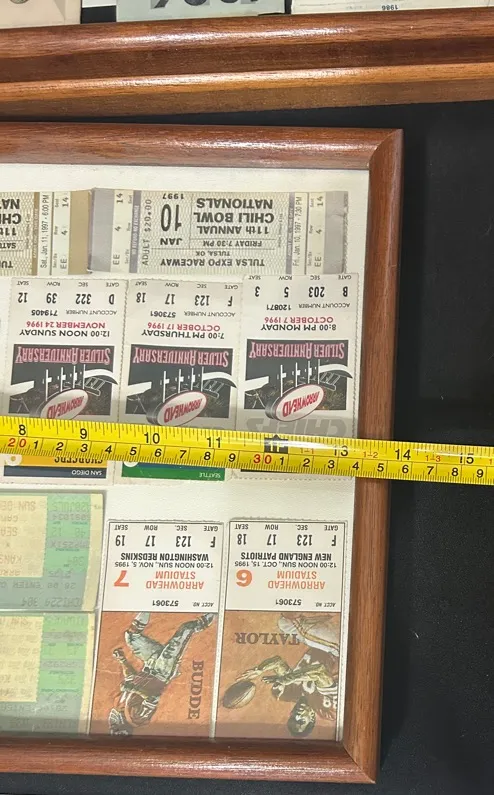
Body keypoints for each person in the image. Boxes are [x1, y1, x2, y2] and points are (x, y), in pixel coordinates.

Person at [231, 613, 340, 738]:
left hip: (320, 645)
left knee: (284, 624)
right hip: (339, 651)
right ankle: (327, 619)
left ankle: (323, 620)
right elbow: (320, 671)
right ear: (312, 718)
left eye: (292, 718)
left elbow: (278, 662)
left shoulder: (287, 693)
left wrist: (260, 669)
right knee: (298, 625)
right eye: (301, 721)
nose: (297, 716)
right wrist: (290, 678)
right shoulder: (327, 710)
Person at [108, 611, 214, 735]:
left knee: (131, 636)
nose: (112, 723)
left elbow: (131, 678)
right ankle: (213, 615)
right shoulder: (136, 718)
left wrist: (122, 660)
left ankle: (148, 606)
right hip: (162, 671)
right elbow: (153, 698)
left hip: (149, 664)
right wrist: (134, 689)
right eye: (114, 726)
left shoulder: (119, 705)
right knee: (187, 628)